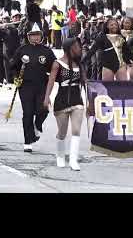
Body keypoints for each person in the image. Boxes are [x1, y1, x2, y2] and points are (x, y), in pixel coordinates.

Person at [10, 23, 55, 153]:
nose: (35, 38)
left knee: (43, 109)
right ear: (28, 36)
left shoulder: (47, 51)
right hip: (25, 86)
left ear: (41, 36)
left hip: (42, 85)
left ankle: (37, 125)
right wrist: (15, 78)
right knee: (28, 113)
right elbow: (13, 66)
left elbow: (54, 68)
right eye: (33, 35)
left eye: (37, 35)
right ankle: (28, 141)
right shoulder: (22, 50)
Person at [44, 37, 84, 170]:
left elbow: (86, 83)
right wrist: (46, 97)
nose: (79, 49)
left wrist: (91, 102)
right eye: (77, 46)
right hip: (61, 100)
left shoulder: (80, 64)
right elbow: (51, 81)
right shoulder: (57, 64)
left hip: (77, 100)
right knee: (62, 132)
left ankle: (73, 160)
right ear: (70, 48)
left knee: (76, 130)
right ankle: (60, 156)